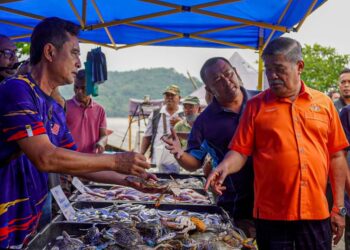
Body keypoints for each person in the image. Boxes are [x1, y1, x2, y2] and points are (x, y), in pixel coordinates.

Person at [0, 17, 151, 249]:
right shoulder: (18, 89)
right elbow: (46, 157)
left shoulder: (55, 108)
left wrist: (132, 181)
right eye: (74, 53)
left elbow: (78, 161)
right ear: (49, 52)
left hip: (27, 224)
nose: (79, 63)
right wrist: (116, 160)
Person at [205, 37, 348, 249]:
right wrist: (223, 167)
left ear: (299, 66)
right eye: (268, 69)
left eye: (279, 68)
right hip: (271, 216)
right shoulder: (255, 106)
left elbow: (336, 156)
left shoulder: (324, 104)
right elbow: (240, 151)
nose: (272, 75)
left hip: (316, 212)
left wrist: (338, 208)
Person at [162, 57, 258, 237]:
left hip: (276, 201)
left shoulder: (262, 100)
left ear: (236, 72)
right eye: (218, 81)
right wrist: (179, 153)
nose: (227, 82)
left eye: (229, 75)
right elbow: (195, 162)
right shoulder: (205, 121)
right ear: (209, 89)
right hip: (237, 204)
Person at [66, 69, 108, 154]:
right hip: (69, 160)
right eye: (76, 87)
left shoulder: (100, 110)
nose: (79, 91)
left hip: (91, 161)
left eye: (83, 88)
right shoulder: (64, 107)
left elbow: (104, 135)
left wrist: (101, 143)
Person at [141, 84, 184, 165]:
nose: (169, 98)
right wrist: (141, 154)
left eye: (172, 95)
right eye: (167, 95)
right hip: (158, 159)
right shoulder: (155, 114)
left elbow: (193, 135)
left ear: (179, 98)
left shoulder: (185, 114)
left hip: (180, 161)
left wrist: (181, 123)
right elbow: (147, 136)